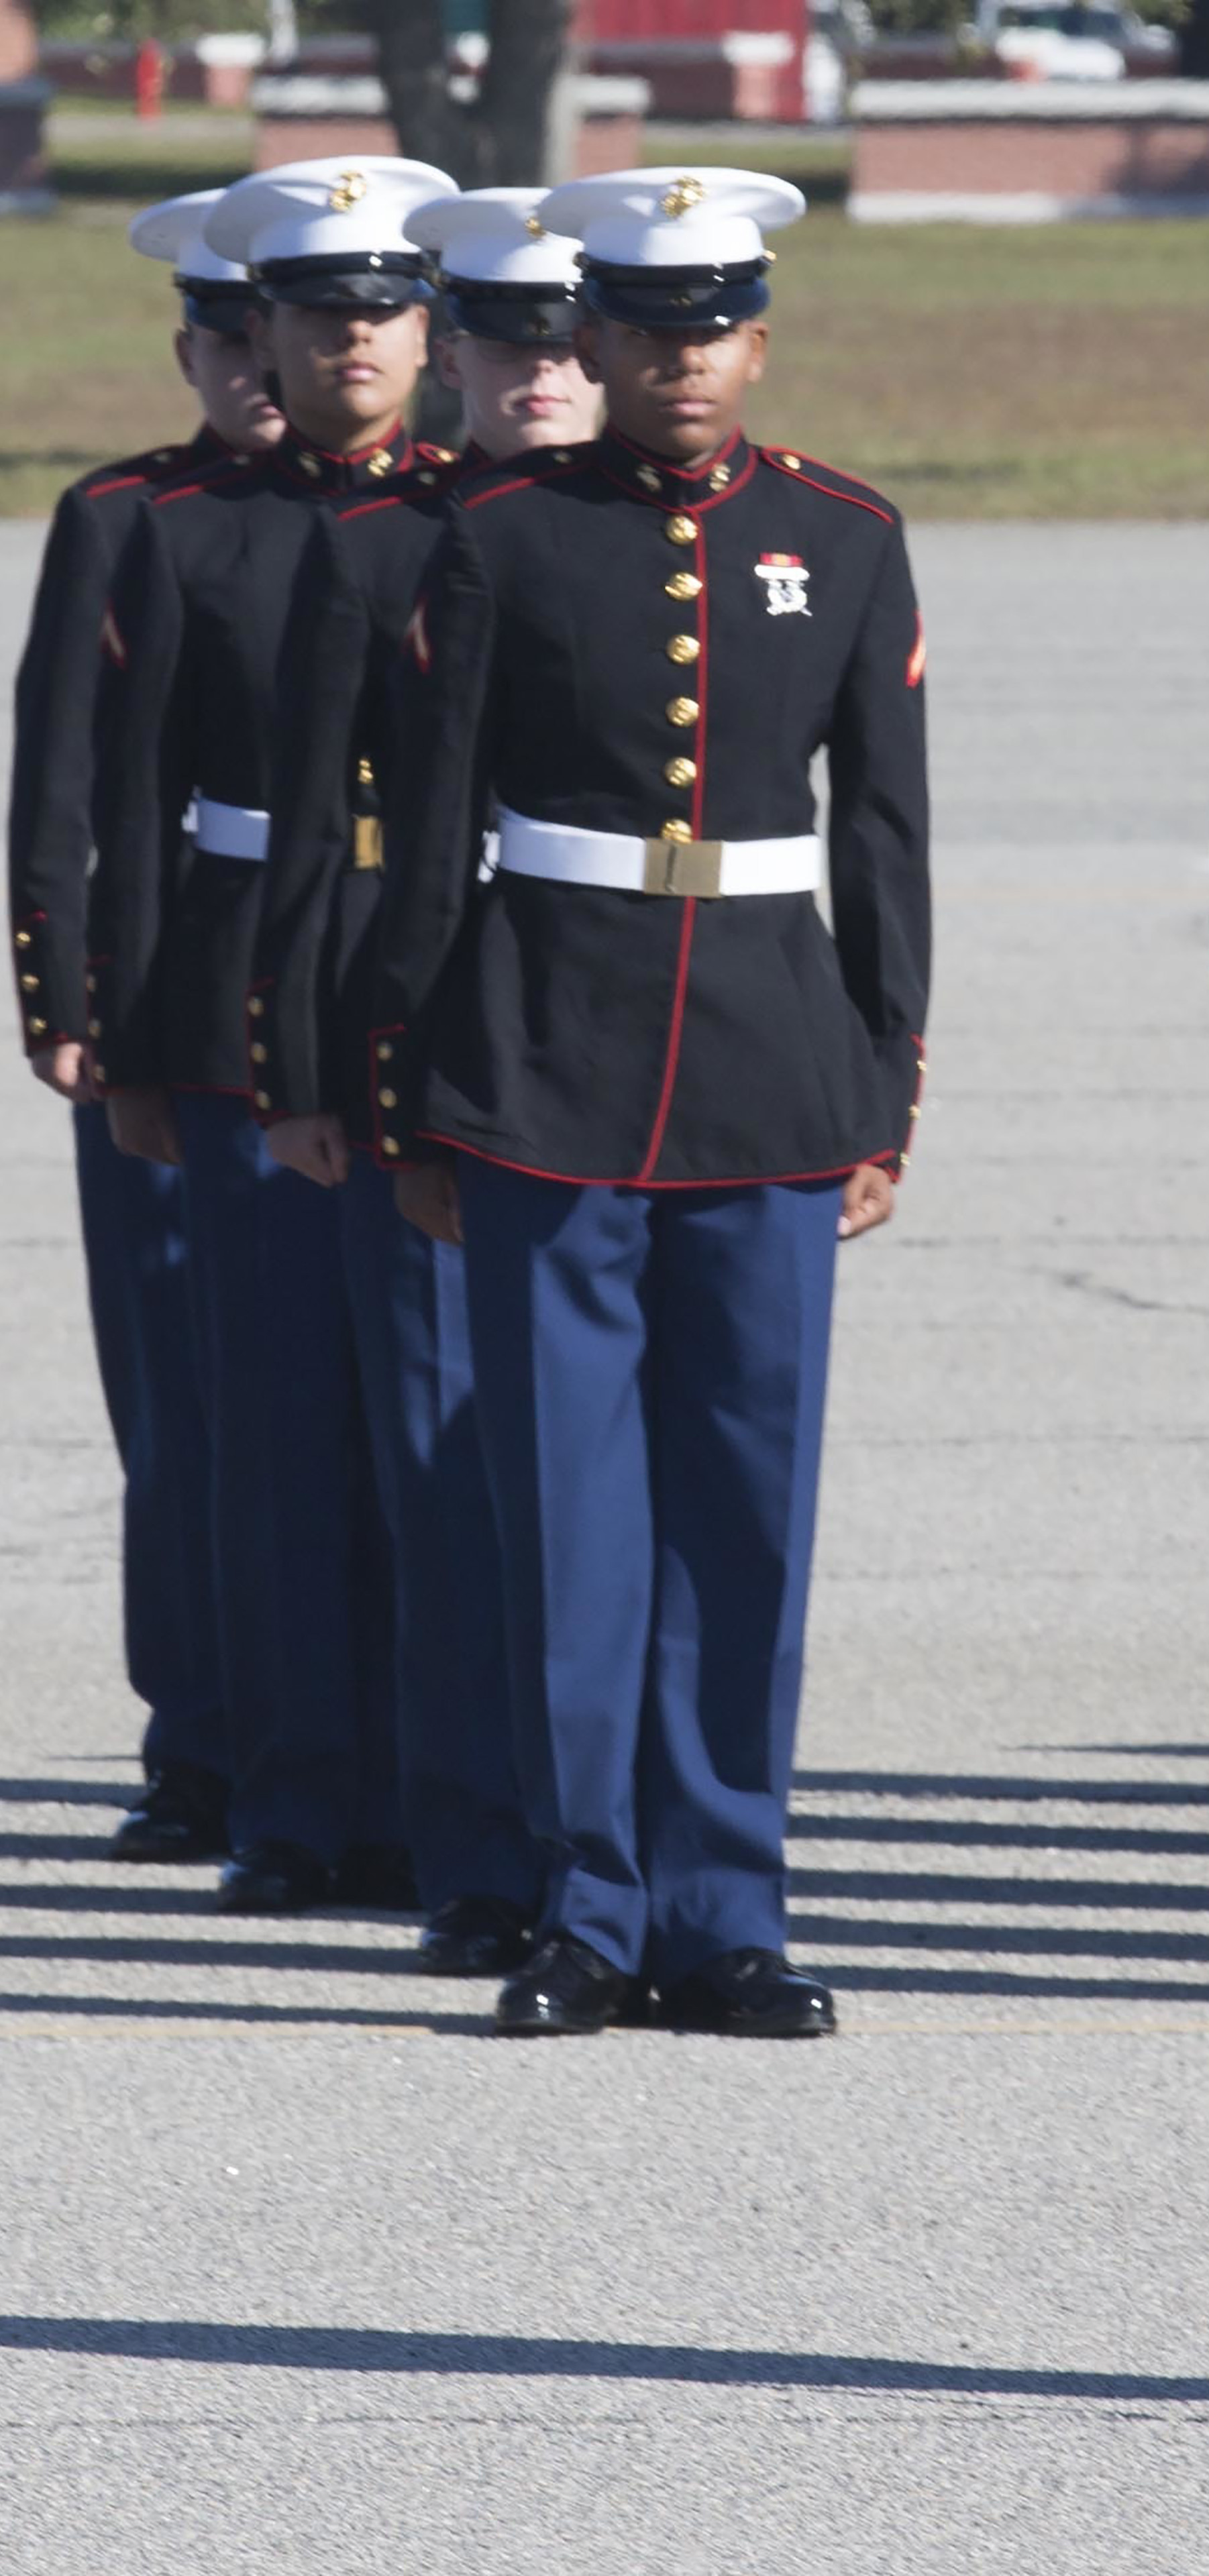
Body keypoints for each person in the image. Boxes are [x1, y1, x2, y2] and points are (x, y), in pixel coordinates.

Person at [362, 166, 929, 2039]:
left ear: (758, 343)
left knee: (747, 1512)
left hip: (774, 1073)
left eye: (717, 331)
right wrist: (414, 1097)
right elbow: (428, 831)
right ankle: (588, 1906)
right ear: (587, 340)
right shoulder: (500, 532)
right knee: (572, 1514)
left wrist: (887, 1078)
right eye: (647, 329)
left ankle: (727, 1910)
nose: (683, 362)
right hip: (545, 1064)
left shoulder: (843, 536)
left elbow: (887, 836)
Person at [89, 156, 456, 1919]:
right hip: (237, 998)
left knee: (434, 1431)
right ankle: (290, 1789)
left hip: (436, 1000)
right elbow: (116, 794)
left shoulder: (484, 517)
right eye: (295, 322)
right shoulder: (175, 527)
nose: (325, 350)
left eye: (373, 312)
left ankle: (429, 1779)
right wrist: (114, 1032)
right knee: (265, 1428)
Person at [242, 184, 601, 1978]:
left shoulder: (652, 543)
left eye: (566, 334)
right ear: (451, 349)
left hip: (622, 1069)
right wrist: (304, 1068)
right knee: (452, 1473)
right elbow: (319, 838)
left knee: (603, 1494)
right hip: (422, 1054)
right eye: (506, 338)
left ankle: (608, 1846)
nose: (539, 369)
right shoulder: (378, 545)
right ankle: (478, 1847)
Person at [10, 191, 278, 1870]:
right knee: (180, 1397)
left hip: (362, 1024)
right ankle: (198, 1736)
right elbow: (56, 783)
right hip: (171, 1014)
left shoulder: (431, 510)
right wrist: (68, 1003)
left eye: (283, 334)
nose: (257, 366)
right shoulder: (128, 512)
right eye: (225, 338)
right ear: (184, 347)